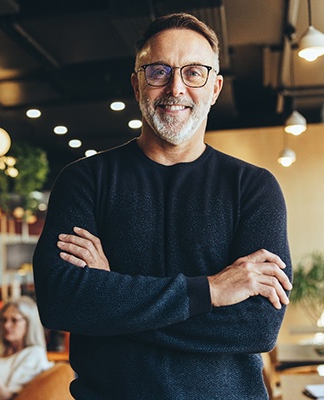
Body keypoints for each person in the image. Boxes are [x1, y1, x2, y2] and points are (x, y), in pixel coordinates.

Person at [33, 12, 293, 400]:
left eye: (194, 73)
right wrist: (212, 290)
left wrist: (110, 295)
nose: (176, 88)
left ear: (215, 87)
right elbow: (60, 302)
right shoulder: (84, 180)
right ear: (137, 83)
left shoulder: (253, 187)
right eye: (158, 71)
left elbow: (257, 328)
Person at [0, 296, 53, 399]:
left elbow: (9, 398)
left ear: (29, 324)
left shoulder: (34, 354)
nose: (6, 325)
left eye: (14, 320)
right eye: (4, 320)